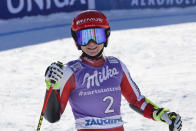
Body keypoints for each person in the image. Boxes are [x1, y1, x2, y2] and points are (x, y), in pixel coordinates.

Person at [44, 10, 182, 131]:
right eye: (85, 38)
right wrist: (51, 86)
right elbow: (52, 117)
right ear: (76, 41)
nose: (91, 43)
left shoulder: (116, 66)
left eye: (97, 36)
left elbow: (136, 100)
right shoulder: (70, 71)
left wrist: (162, 114)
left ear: (106, 36)